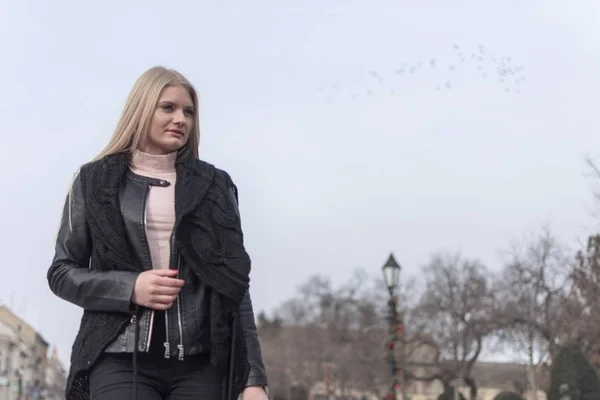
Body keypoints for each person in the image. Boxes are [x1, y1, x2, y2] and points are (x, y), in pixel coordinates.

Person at [47, 66, 269, 400]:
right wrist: (129, 287)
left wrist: (253, 378)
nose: (181, 118)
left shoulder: (216, 186)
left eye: (189, 112)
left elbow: (234, 286)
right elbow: (62, 272)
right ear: (142, 109)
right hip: (118, 356)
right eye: (168, 107)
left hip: (202, 363)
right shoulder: (93, 181)